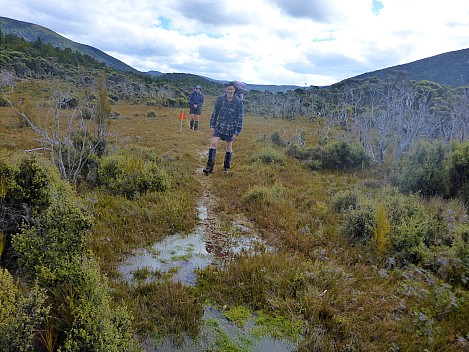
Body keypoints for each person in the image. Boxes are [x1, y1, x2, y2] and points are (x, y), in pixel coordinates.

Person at [203, 81, 244, 174]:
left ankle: (226, 167)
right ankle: (209, 167)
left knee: (229, 147)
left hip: (231, 127)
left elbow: (240, 118)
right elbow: (215, 113)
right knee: (213, 143)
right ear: (226, 90)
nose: (230, 91)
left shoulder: (238, 102)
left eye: (232, 89)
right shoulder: (220, 99)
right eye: (228, 89)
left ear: (234, 90)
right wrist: (212, 125)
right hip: (220, 125)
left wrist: (237, 131)